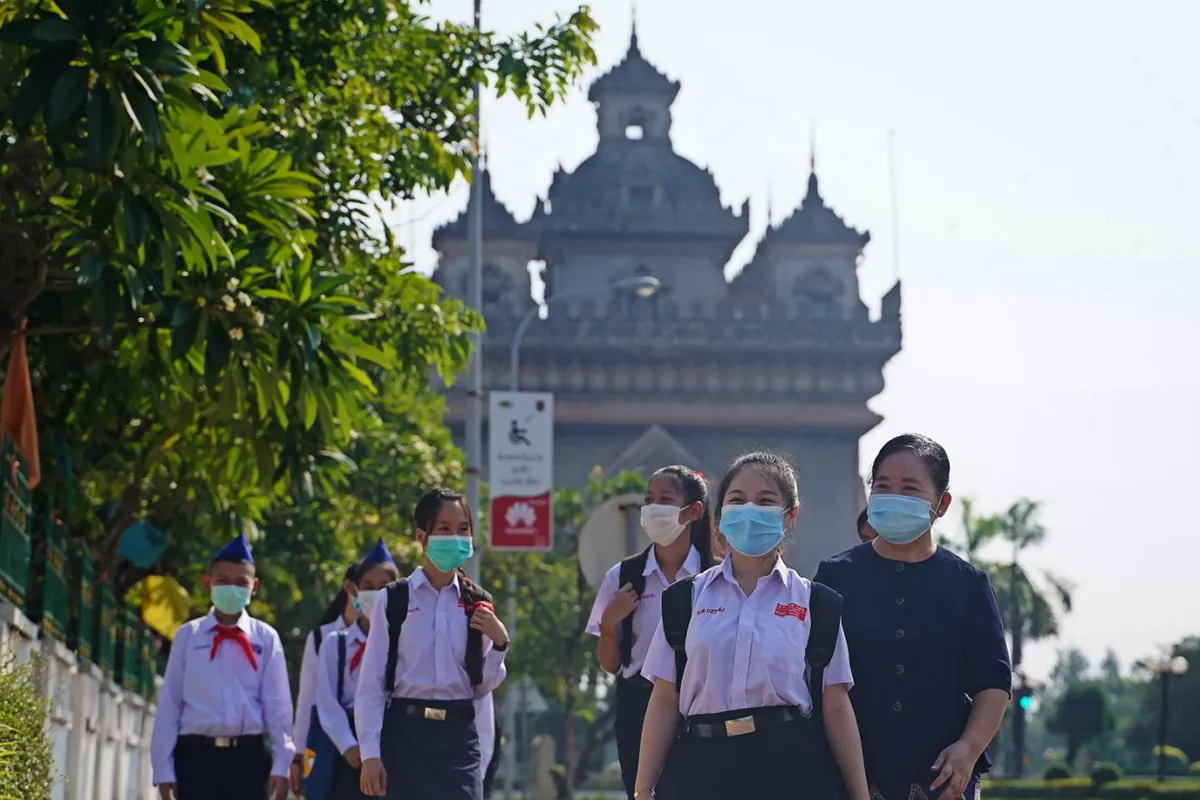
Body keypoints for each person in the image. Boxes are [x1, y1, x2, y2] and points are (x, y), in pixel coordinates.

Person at [633, 452, 870, 800]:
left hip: (790, 768)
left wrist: (860, 795)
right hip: (700, 769)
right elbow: (665, 699)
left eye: (765, 501)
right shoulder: (685, 600)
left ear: (790, 515)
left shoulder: (815, 603)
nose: (750, 510)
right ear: (721, 516)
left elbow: (836, 706)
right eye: (737, 500)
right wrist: (642, 790)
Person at [815, 434, 1012, 800]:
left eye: (909, 489)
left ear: (942, 503)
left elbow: (993, 683)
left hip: (940, 779)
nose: (894, 498)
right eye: (883, 486)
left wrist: (968, 748)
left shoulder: (967, 584)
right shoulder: (835, 577)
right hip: (846, 775)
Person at [355, 488, 511, 800]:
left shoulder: (478, 603)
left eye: (463, 529)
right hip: (405, 736)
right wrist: (370, 754)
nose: (455, 537)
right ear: (422, 536)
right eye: (444, 529)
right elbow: (371, 684)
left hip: (458, 740)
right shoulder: (395, 599)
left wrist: (500, 644)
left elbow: (481, 689)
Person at [586, 465, 716, 800]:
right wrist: (609, 624)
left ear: (693, 511)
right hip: (639, 705)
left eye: (665, 500)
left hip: (702, 703)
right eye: (649, 500)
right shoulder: (624, 576)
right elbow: (610, 664)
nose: (653, 508)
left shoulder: (715, 576)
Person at [150, 534, 294, 800]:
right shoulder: (188, 636)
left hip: (248, 759)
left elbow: (278, 708)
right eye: (223, 581)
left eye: (241, 582)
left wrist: (282, 764)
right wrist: (163, 768)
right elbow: (170, 702)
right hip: (195, 758)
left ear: (255, 587)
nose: (232, 588)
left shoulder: (265, 638)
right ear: (209, 584)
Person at [310, 540, 401, 799]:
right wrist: (349, 745)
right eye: (368, 587)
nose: (375, 594)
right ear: (355, 592)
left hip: (393, 742)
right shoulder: (335, 643)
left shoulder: (406, 643)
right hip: (348, 749)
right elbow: (326, 702)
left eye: (383, 587)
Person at [294, 563, 361, 794]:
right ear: (350, 588)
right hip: (331, 746)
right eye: (369, 586)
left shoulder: (391, 639)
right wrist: (298, 756)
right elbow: (308, 700)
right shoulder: (323, 637)